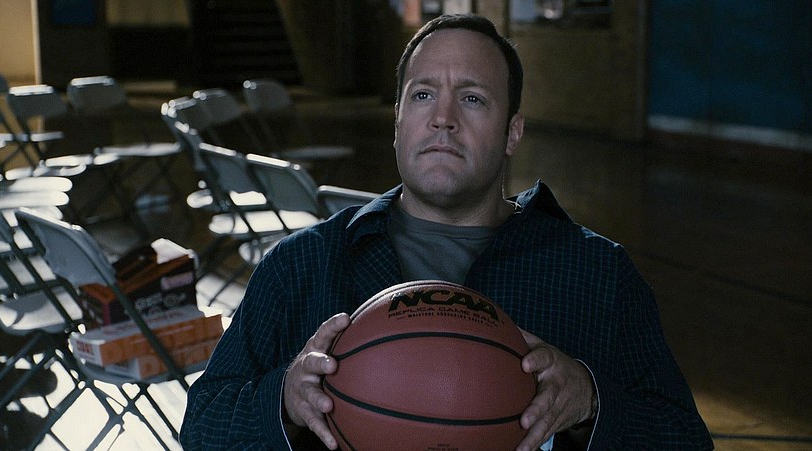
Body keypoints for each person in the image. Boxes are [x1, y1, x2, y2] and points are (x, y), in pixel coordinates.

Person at [181, 14, 713, 451]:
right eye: (422, 95)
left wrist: (592, 400)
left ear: (513, 132)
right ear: (397, 122)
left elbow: (684, 439)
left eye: (473, 98)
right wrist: (283, 399)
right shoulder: (302, 264)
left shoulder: (597, 274)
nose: (443, 118)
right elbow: (203, 426)